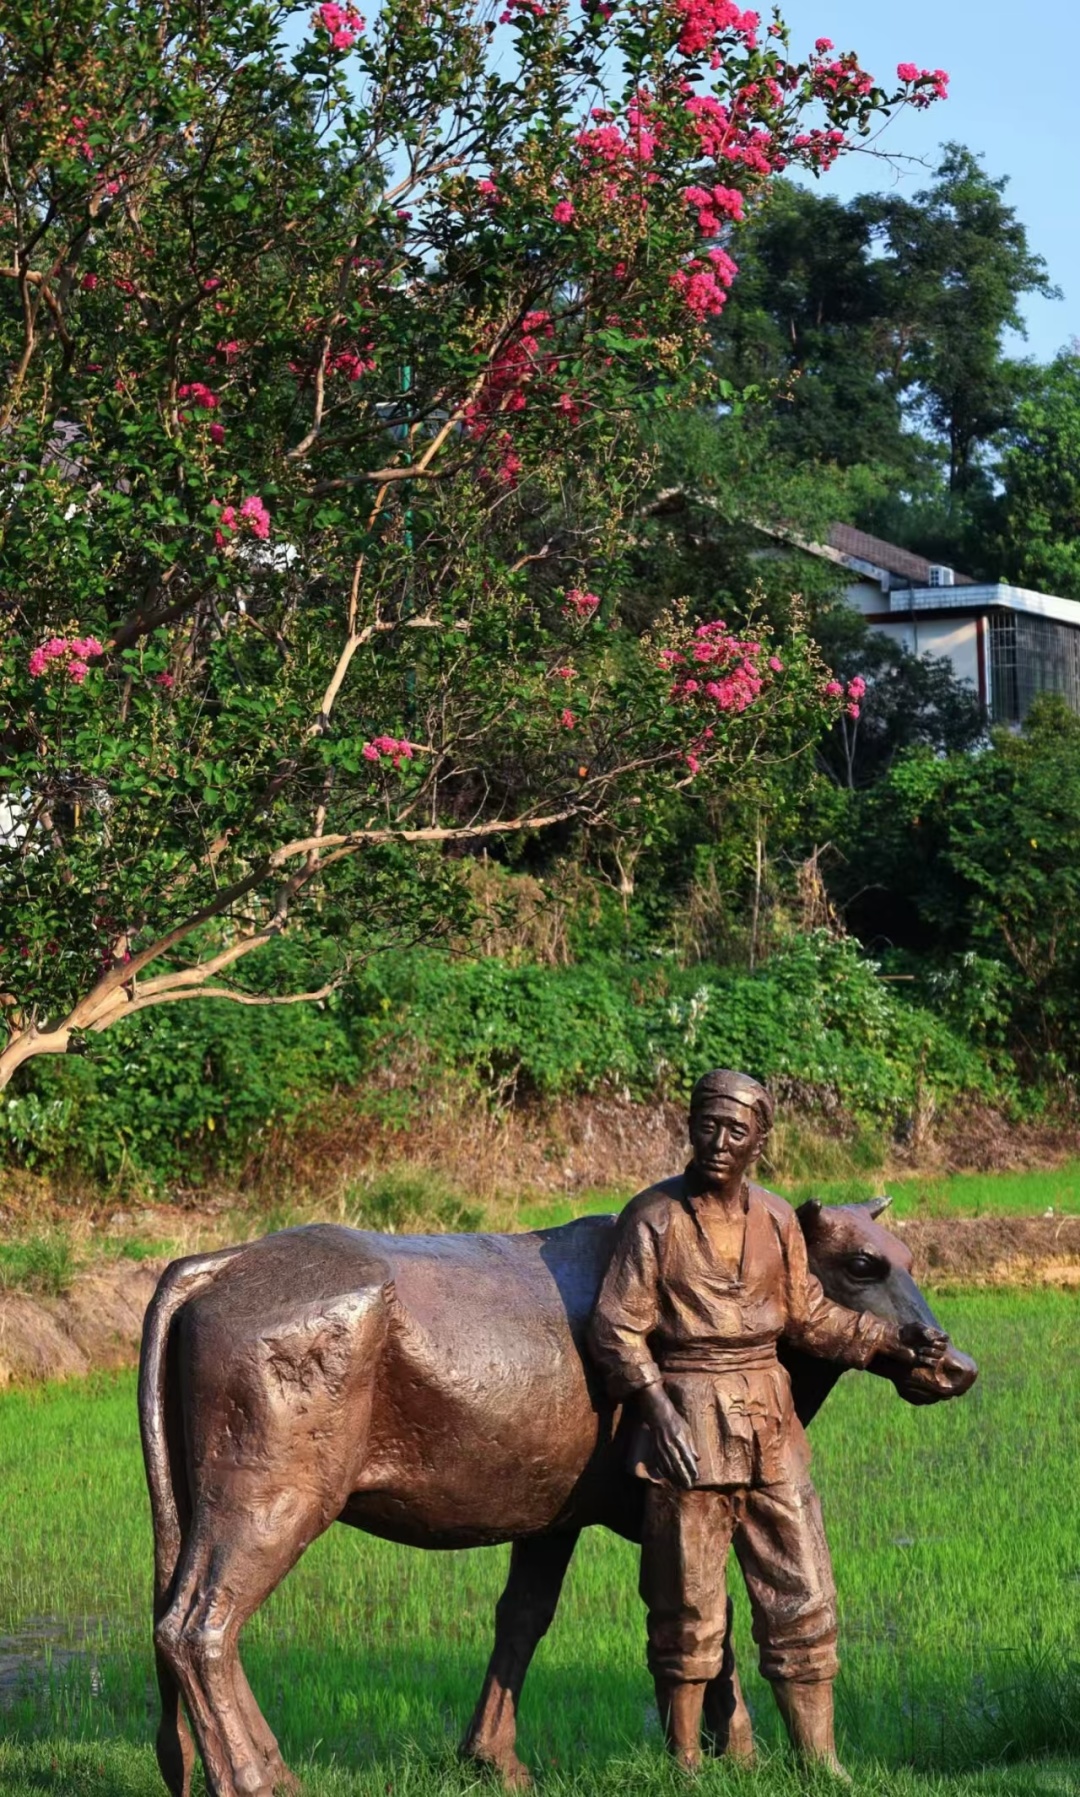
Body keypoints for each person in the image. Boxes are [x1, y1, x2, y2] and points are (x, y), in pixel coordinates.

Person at [587, 1068, 947, 1778]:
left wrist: (888, 1339)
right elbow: (615, 1327)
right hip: (686, 1418)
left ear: (760, 1140)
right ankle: (684, 1763)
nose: (717, 1141)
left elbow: (809, 1315)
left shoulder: (777, 1218)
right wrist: (656, 1410)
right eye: (706, 1124)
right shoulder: (654, 1217)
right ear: (690, 1126)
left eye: (735, 1129)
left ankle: (821, 1762)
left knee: (804, 1589)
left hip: (771, 1421)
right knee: (685, 1602)